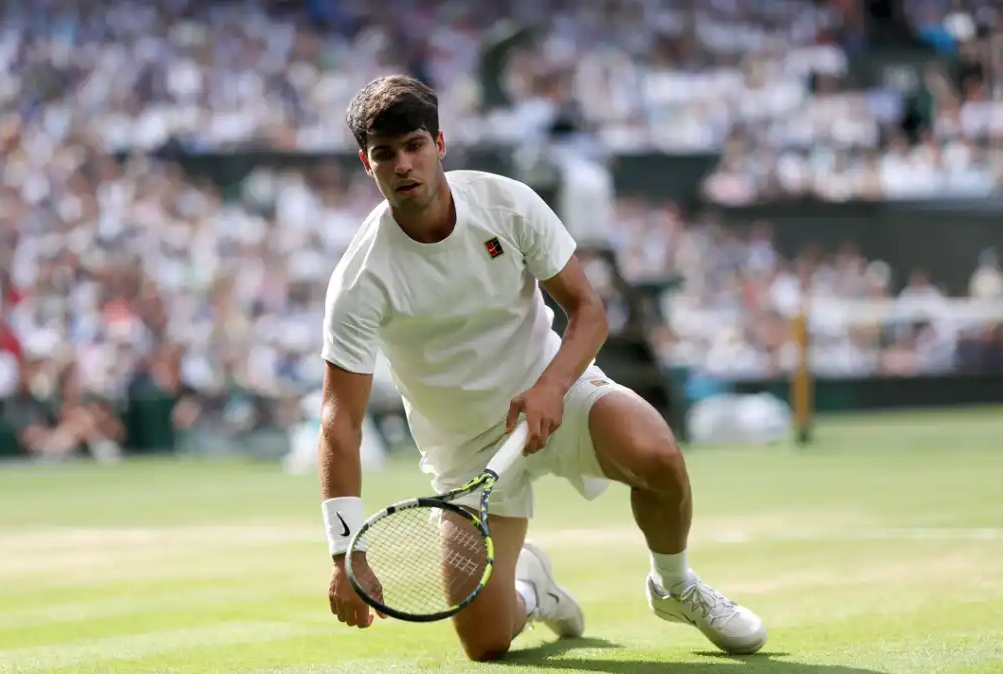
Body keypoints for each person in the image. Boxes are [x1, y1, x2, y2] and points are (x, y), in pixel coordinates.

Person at [319, 75, 767, 661]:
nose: (404, 164)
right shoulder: (359, 278)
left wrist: (551, 386)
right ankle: (535, 590)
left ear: (440, 145)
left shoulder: (507, 203)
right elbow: (340, 422)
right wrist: (345, 554)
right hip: (465, 453)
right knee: (486, 643)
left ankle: (675, 584)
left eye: (415, 145)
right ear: (366, 163)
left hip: (558, 392)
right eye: (385, 154)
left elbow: (589, 311)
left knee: (655, 451)